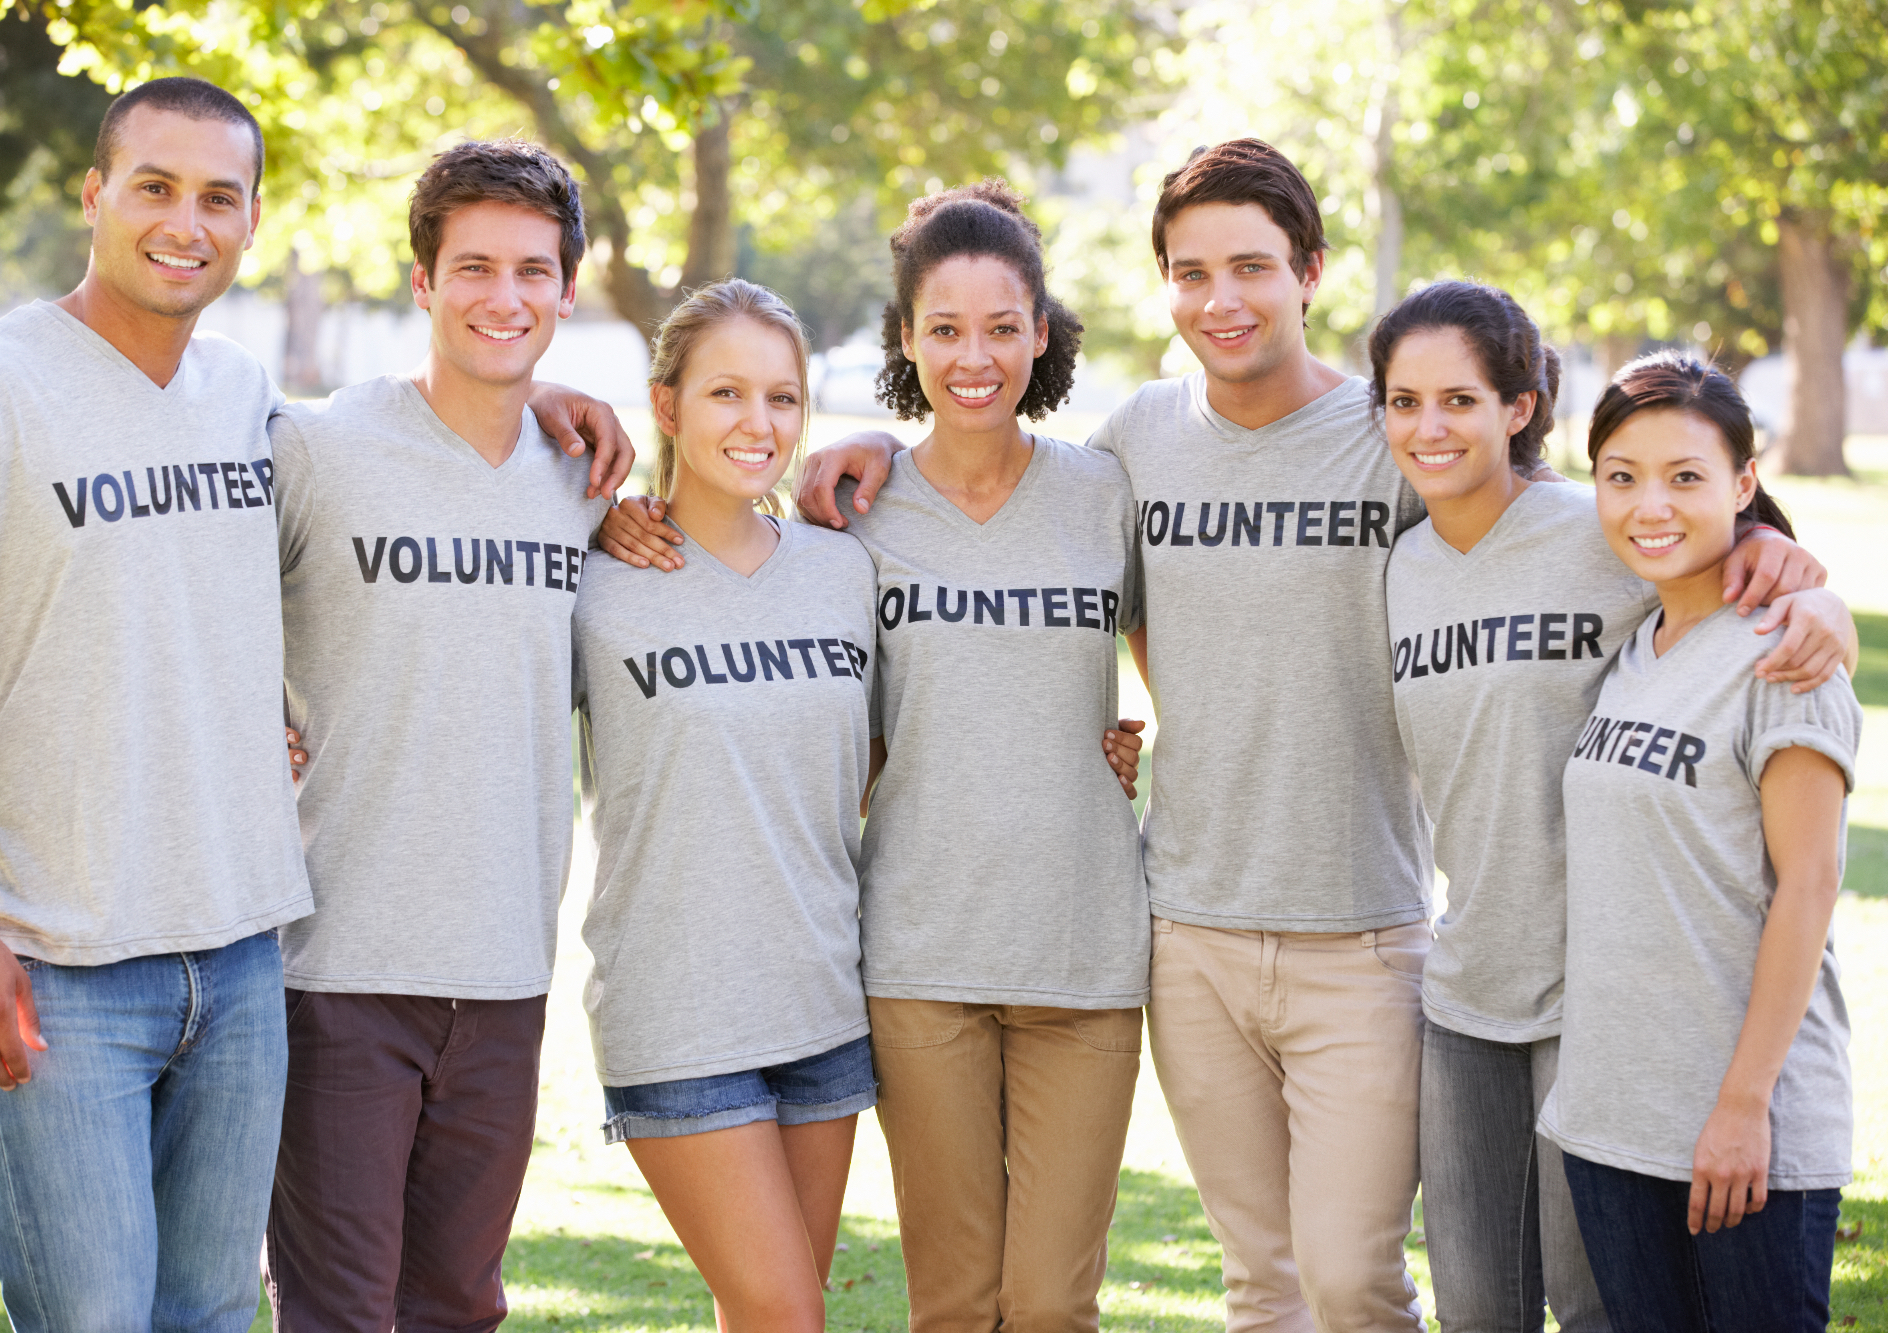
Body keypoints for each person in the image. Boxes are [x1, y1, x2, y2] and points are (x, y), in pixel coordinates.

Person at [759, 140, 1834, 1331]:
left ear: (1309, 271)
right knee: (1259, 1289)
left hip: (1364, 930)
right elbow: (1069, 578)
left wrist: (1782, 566)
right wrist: (851, 450)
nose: (1220, 299)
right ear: (1160, 283)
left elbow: (1631, 529)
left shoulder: (1391, 439)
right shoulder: (1132, 447)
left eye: (1251, 267)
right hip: (1187, 931)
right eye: (1190, 270)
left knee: (1349, 1281)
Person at [0, 80, 632, 1331]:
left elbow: (284, 560)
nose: (187, 222)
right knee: (95, 1317)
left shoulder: (245, 399)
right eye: (156, 188)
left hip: (240, 951)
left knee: (214, 1315)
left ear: (248, 221)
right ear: (95, 193)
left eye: (218, 198)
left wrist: (550, 400)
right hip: (60, 957)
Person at [600, 180, 1152, 1332]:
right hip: (914, 958)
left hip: (1083, 952)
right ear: (903, 338)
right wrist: (611, 513)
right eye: (942, 328)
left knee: (1052, 1305)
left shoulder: (1105, 494)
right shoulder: (853, 515)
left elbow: (1182, 666)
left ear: (1040, 333)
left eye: (1002, 326)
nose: (973, 355)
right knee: (950, 1303)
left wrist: (1132, 744)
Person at [1372, 282, 1853, 1333]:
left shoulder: (1619, 552)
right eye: (1402, 401)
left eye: (1459, 397)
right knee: (1478, 1308)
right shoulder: (1403, 564)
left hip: (1601, 1012)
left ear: (1519, 406)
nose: (1428, 425)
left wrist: (1816, 601)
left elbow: (1806, 863)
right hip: (1475, 994)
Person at [259, 138, 609, 1331]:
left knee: (460, 1302)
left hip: (508, 966)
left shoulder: (587, 483)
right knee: (339, 1309)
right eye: (472, 268)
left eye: (530, 271)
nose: (501, 298)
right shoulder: (316, 448)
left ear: (567, 288)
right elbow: (171, 587)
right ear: (423, 282)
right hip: (338, 962)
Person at [571, 278, 878, 1332]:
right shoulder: (594, 579)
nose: (759, 425)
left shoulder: (846, 573)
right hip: (678, 1008)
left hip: (823, 1002)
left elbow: (881, 759)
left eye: (782, 399)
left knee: (769, 1317)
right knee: (782, 1312)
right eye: (726, 395)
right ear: (665, 407)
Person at [1540, 354, 1861, 1331]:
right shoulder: (1632, 646)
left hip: (1743, 1128)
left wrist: (1739, 1106)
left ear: (1741, 485)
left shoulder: (1783, 655)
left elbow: (1806, 887)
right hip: (1607, 1119)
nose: (1650, 505)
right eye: (1620, 475)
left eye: (1684, 476)